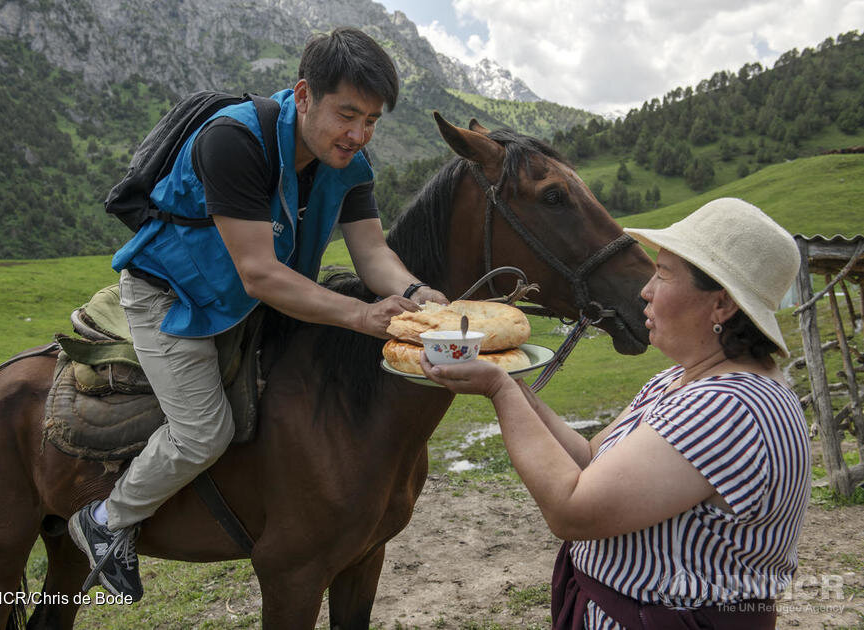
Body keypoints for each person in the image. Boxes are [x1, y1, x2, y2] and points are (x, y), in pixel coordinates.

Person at [68, 26, 447, 600]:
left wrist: (418, 292)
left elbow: (372, 253)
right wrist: (362, 317)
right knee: (203, 431)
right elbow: (260, 272)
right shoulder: (234, 141)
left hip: (252, 301)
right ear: (303, 94)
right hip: (173, 299)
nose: (358, 134)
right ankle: (106, 520)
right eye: (348, 115)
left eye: (371, 120)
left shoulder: (350, 162)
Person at [421, 198, 809, 629]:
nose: (646, 289)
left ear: (721, 305)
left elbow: (573, 511)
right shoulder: (682, 382)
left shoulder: (728, 408)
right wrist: (513, 383)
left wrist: (498, 391)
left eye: (663, 274)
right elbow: (589, 459)